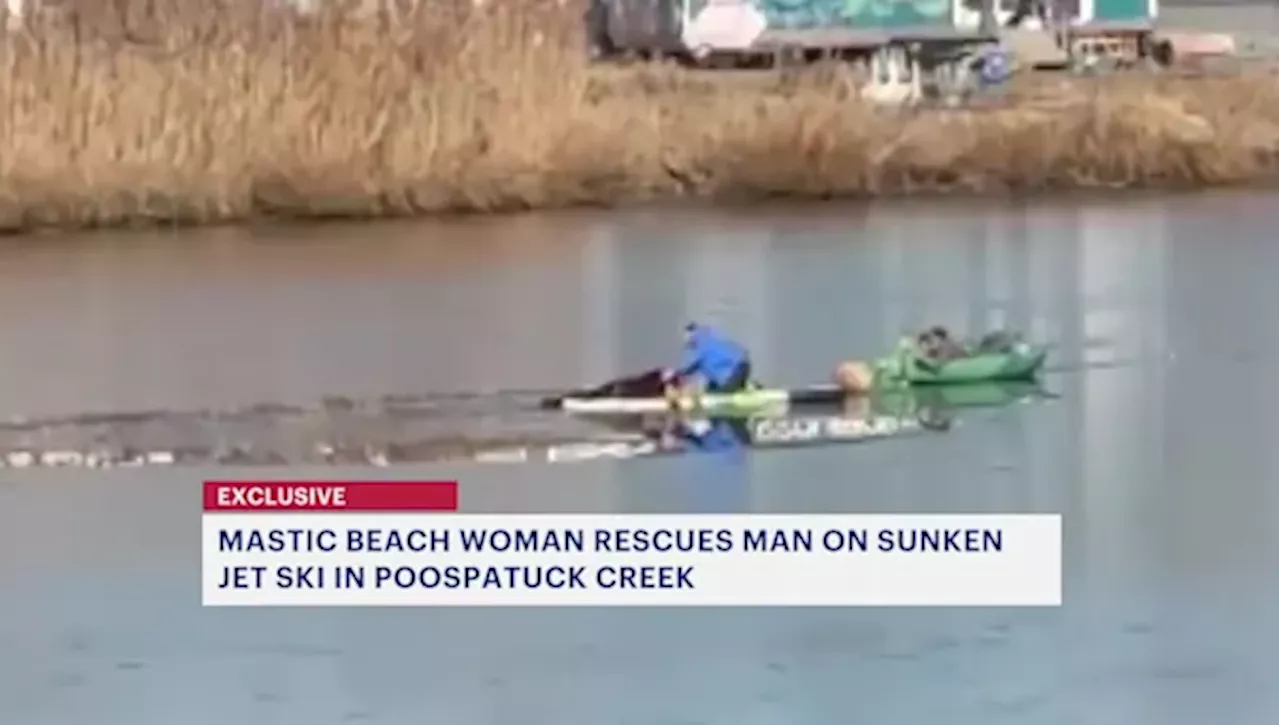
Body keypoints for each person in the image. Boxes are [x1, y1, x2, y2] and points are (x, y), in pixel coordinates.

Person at [663, 323, 753, 395]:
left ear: (691, 334)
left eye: (686, 337)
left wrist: (673, 374)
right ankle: (748, 388)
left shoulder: (699, 343)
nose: (685, 340)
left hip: (735, 370)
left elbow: (690, 366)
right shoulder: (712, 337)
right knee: (711, 386)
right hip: (743, 364)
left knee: (720, 396)